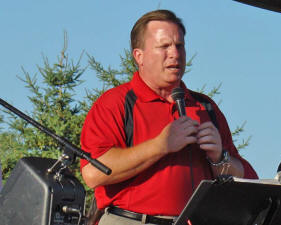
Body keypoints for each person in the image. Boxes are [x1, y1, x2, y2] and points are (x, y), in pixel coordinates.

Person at [80, 9, 258, 225]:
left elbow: (247, 179)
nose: (175, 53)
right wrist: (160, 146)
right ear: (139, 56)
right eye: (164, 46)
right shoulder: (115, 103)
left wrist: (220, 157)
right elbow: (93, 173)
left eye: (179, 46)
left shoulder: (205, 107)